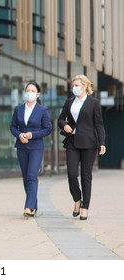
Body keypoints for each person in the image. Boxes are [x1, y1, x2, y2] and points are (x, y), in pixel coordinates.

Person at [58, 74, 106, 220]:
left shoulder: (94, 103)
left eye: (77, 85)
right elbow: (60, 119)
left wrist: (102, 142)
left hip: (89, 143)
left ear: (85, 86)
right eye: (73, 86)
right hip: (72, 141)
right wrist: (65, 125)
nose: (74, 88)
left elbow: (99, 123)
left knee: (86, 175)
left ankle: (85, 207)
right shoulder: (69, 102)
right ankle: (77, 200)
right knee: (72, 174)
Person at [10, 81, 52, 218]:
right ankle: (33, 204)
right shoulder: (18, 109)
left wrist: (32, 135)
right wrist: (19, 135)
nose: (30, 93)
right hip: (21, 147)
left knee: (32, 176)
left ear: (38, 94)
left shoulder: (42, 110)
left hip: (36, 147)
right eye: (28, 90)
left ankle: (28, 207)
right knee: (25, 178)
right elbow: (12, 127)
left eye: (33, 91)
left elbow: (47, 129)